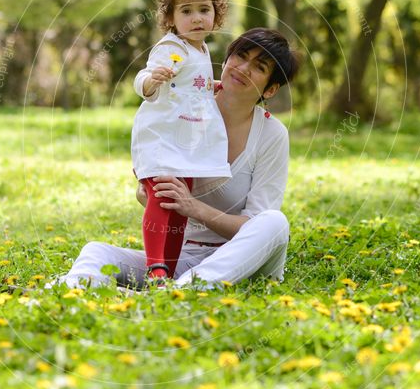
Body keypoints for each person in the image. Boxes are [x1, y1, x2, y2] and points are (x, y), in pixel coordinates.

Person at [48, 28, 299, 290]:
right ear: (225, 61)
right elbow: (151, 198)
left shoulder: (271, 134)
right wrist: (150, 191)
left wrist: (193, 207)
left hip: (242, 261)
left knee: (274, 222)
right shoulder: (181, 109)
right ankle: (68, 290)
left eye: (259, 67)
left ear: (270, 89)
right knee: (97, 252)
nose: (244, 68)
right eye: (241, 56)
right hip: (184, 257)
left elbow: (253, 227)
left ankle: (180, 292)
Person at [131, 0, 231, 282]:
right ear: (171, 19)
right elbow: (147, 76)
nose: (197, 18)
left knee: (177, 206)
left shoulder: (200, 49)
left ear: (216, 13)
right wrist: (150, 81)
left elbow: (191, 85)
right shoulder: (173, 47)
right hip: (162, 140)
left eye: (204, 9)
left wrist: (209, 86)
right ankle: (155, 264)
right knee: (162, 199)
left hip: (185, 144)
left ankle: (169, 268)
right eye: (186, 12)